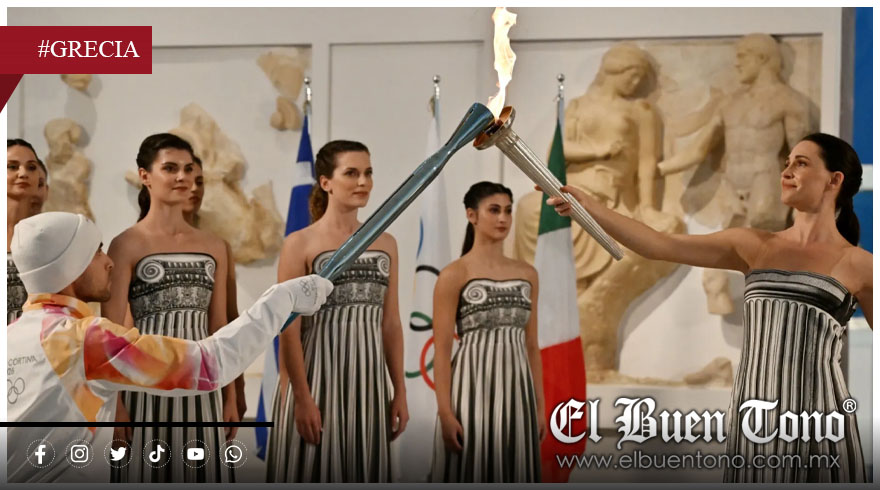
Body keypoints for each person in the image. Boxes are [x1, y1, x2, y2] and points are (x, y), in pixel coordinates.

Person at [547, 133, 870, 483]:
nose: (786, 171)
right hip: (754, 420)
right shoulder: (753, 244)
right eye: (787, 162)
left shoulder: (860, 265)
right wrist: (588, 207)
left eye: (801, 163)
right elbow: (658, 244)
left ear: (834, 180)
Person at [6, 211, 332, 483]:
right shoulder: (85, 341)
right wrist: (282, 299)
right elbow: (208, 365)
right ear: (71, 267)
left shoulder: (10, 337)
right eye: (97, 252)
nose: (108, 263)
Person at [266, 140, 408, 482]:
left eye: (368, 173)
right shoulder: (299, 243)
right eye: (352, 173)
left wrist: (399, 391)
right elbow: (289, 329)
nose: (363, 182)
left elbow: (390, 323)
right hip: (316, 380)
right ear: (326, 182)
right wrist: (302, 397)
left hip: (369, 386)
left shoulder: (386, 243)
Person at [103, 134, 236, 482]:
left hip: (203, 386)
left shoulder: (215, 246)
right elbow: (109, 334)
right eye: (170, 168)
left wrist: (231, 396)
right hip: (144, 387)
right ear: (144, 175)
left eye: (188, 169)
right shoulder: (125, 244)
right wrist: (115, 405)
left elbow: (220, 326)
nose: (182, 177)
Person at [431, 182, 545, 482]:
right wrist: (445, 412)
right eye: (494, 210)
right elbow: (442, 349)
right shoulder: (454, 274)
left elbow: (532, 346)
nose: (503, 218)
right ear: (472, 215)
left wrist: (540, 407)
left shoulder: (528, 274)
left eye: (508, 211)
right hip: (470, 390)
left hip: (518, 393)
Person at [8, 138, 49, 323]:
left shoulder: (50, 237)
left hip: (38, 337)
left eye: (31, 167)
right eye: (12, 166)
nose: (23, 173)